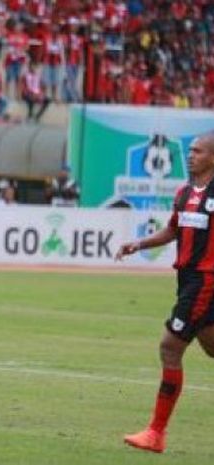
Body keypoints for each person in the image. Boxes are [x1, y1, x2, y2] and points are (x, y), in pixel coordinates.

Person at [116, 134, 214, 453]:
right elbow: (174, 229)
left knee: (170, 347)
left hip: (206, 281)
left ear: (213, 157)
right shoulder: (184, 193)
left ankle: (156, 433)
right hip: (187, 280)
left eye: (197, 151)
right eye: (189, 151)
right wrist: (140, 243)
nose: (190, 156)